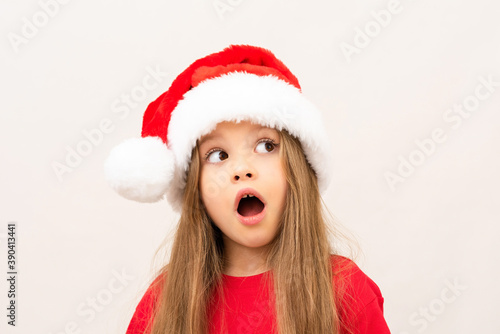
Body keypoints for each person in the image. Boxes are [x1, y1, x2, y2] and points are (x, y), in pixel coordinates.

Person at [104, 44, 391, 333]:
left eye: (266, 146)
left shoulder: (344, 290)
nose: (242, 169)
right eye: (217, 155)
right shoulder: (163, 302)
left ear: (298, 168)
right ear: (197, 192)